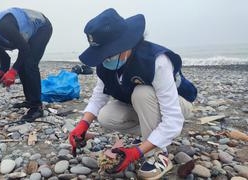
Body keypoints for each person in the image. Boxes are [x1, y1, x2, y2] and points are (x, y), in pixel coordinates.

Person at [69, 8, 197, 179]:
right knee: (106, 115)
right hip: (143, 106)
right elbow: (99, 96)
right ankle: (150, 138)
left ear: (125, 44)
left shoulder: (155, 60)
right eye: (102, 54)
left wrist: (136, 153)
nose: (105, 58)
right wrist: (83, 124)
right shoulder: (106, 63)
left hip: (179, 105)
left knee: (142, 93)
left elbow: (173, 119)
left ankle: (159, 154)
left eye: (108, 53)